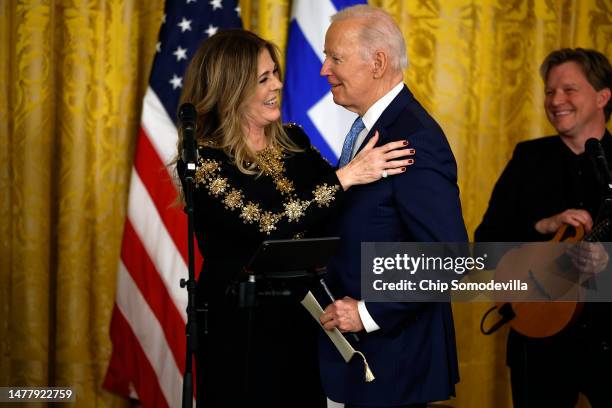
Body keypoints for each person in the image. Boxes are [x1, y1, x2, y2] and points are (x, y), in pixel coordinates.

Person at [175, 29, 414, 408]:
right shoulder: (206, 161)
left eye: (276, 74)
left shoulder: (295, 141)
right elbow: (266, 225)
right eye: (263, 78)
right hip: (242, 325)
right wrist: (347, 175)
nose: (278, 85)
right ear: (231, 88)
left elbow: (333, 212)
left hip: (304, 317)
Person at [316, 5, 468, 407]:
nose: (323, 70)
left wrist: (367, 312)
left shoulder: (414, 137)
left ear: (378, 62)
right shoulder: (378, 126)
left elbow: (449, 258)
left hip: (395, 363)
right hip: (362, 362)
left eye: (336, 58)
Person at [475, 48, 612, 407]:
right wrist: (542, 226)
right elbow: (485, 246)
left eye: (569, 90)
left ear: (602, 96)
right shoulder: (528, 159)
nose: (556, 100)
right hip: (538, 342)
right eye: (550, 91)